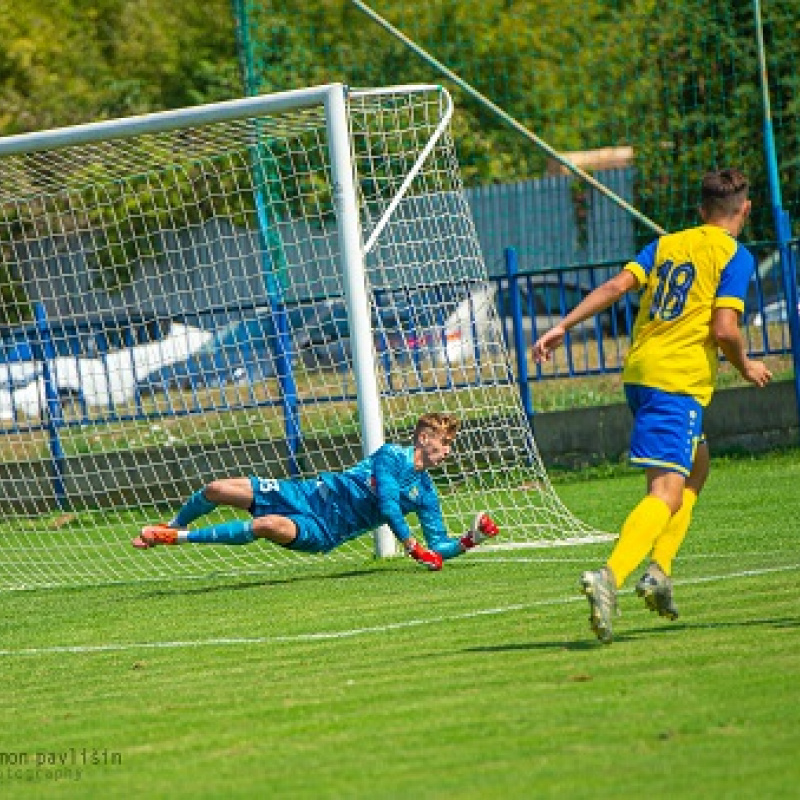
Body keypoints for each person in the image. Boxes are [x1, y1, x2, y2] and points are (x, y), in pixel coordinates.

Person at [532, 168, 772, 644]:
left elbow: (617, 287)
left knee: (697, 465)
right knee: (665, 490)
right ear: (745, 210)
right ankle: (611, 576)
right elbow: (725, 329)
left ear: (701, 211)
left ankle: (660, 570)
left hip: (641, 374)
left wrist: (565, 324)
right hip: (676, 383)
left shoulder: (666, 244)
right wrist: (744, 365)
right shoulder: (735, 255)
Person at [132, 411, 499, 569]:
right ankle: (171, 524)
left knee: (267, 526)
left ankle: (179, 539)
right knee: (216, 488)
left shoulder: (427, 493)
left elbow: (438, 547)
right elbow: (388, 504)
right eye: (445, 443)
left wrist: (470, 541)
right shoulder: (391, 455)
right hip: (308, 493)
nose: (448, 451)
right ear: (424, 438)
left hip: (326, 529)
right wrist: (410, 546)